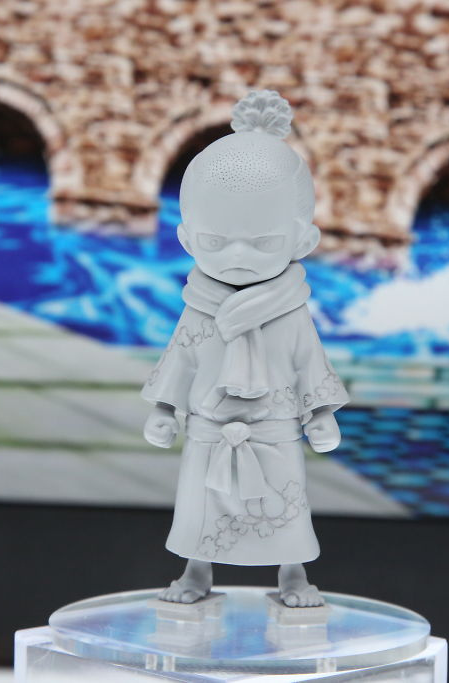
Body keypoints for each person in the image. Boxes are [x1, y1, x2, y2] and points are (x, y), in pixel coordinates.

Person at [141, 90, 349, 608]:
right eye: (216, 242)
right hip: (211, 429)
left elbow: (308, 363)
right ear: (188, 240)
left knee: (284, 509)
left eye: (262, 243)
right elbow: (181, 359)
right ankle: (196, 571)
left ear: (302, 241)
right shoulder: (198, 308)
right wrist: (164, 409)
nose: (238, 257)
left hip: (272, 430)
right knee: (203, 508)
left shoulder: (291, 311)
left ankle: (292, 574)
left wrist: (321, 413)